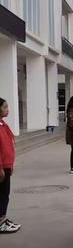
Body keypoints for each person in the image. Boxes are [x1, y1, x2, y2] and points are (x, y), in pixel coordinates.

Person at [0, 98, 20, 233]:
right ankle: (1, 221)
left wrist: (10, 164)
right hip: (1, 167)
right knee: (1, 194)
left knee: (4, 193)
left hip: (7, 165)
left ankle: (3, 218)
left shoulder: (2, 124)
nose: (8, 109)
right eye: (5, 107)